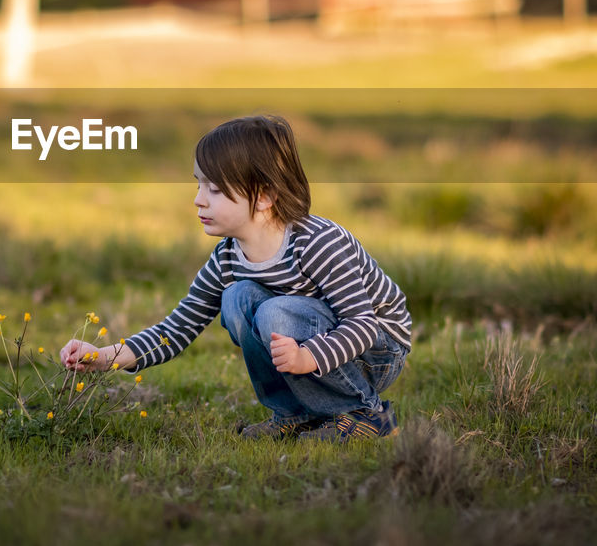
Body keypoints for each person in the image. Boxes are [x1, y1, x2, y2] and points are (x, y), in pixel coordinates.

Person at [59, 114, 411, 441]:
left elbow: (363, 324)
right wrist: (105, 356)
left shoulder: (317, 243)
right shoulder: (228, 257)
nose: (199, 200)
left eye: (215, 189)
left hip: (377, 350)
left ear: (265, 196)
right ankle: (294, 414)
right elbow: (176, 330)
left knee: (275, 314)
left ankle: (366, 413)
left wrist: (309, 357)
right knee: (237, 297)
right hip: (318, 345)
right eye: (199, 185)